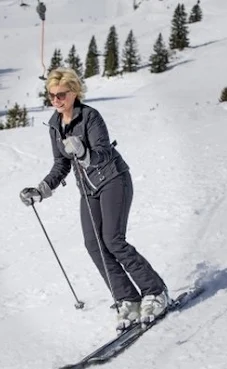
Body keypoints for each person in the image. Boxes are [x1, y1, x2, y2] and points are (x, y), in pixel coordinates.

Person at [19, 67, 169, 331]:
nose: (56, 100)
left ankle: (155, 291)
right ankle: (127, 298)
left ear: (74, 92)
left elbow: (104, 153)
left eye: (61, 94)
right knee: (93, 244)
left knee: (113, 240)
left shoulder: (91, 117)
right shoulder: (55, 126)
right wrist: (42, 189)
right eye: (52, 95)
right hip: (88, 190)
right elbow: (60, 164)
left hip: (113, 180)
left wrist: (84, 152)